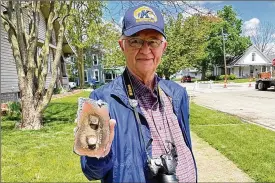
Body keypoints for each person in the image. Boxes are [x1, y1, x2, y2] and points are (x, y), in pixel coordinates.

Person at [79, 4, 197, 182]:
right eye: (135, 40)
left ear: (163, 47)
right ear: (122, 45)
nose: (145, 49)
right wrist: (99, 153)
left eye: (153, 41)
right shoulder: (100, 101)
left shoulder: (177, 94)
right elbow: (91, 172)